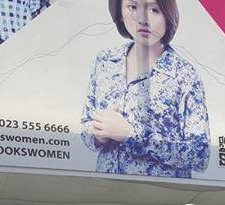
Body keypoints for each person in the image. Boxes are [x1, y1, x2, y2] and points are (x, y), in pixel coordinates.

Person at [81, 0, 211, 178]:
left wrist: (130, 135)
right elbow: (86, 126)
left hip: (159, 192)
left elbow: (200, 155)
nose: (143, 20)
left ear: (168, 14)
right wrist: (98, 135)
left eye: (154, 10)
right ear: (120, 12)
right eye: (133, 7)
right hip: (106, 188)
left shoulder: (183, 74)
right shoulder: (105, 61)